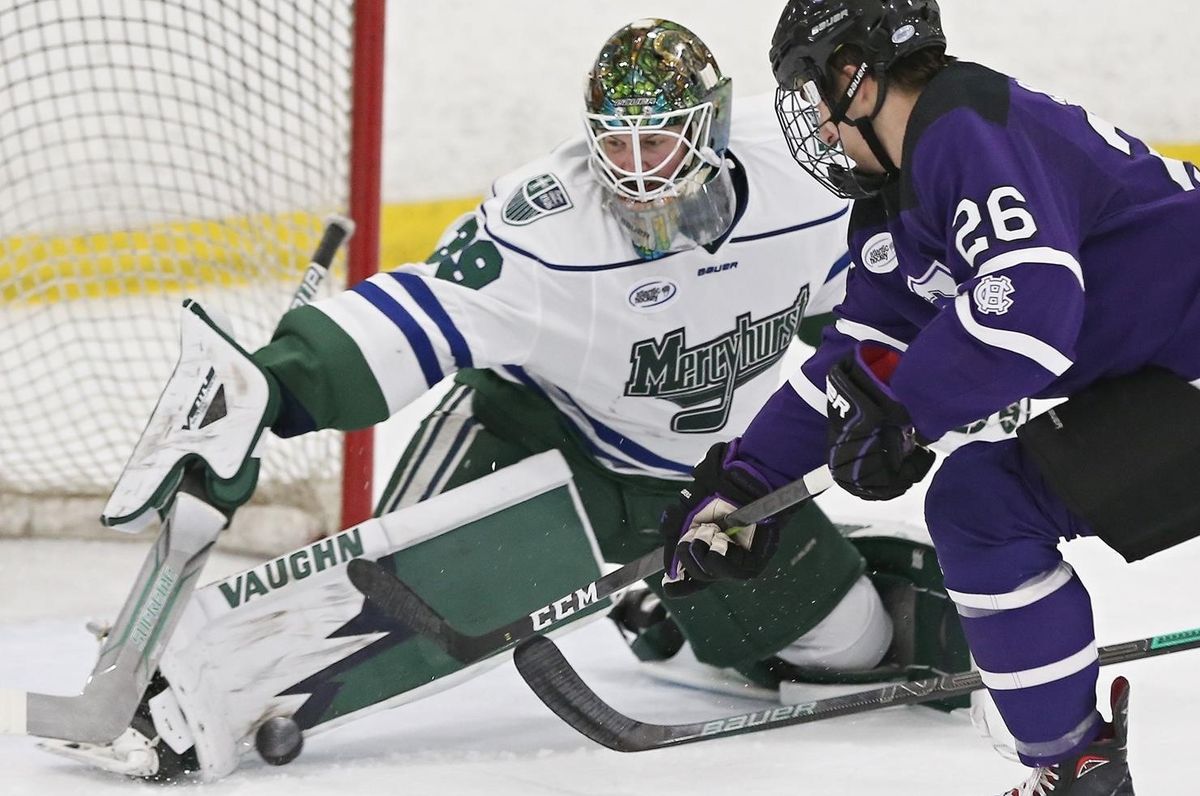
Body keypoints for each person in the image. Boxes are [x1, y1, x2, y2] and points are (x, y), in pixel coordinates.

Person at [64, 18, 986, 781]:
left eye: (657, 138)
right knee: (369, 612)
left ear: (710, 128)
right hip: (543, 456)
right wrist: (277, 385)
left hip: (711, 487)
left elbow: (870, 312)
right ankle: (169, 681)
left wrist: (920, 392)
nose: (634, 169)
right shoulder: (547, 228)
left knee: (856, 647)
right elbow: (413, 316)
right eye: (614, 141)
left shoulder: (806, 195)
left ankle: (668, 605)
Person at [660, 0, 1200, 793]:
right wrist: (744, 483)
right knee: (981, 503)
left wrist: (910, 412)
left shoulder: (963, 129)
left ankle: (1075, 769)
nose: (819, 124)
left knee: (985, 506)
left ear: (855, 77)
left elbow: (1032, 305)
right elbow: (860, 363)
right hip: (1179, 370)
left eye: (815, 95)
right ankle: (1074, 768)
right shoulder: (906, 198)